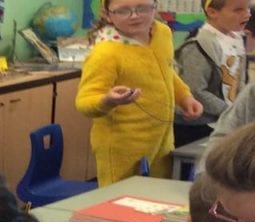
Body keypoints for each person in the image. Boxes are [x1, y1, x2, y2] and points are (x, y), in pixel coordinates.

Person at [77, 0, 203, 186]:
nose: (134, 16)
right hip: (123, 147)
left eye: (142, 8)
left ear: (155, 7)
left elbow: (166, 71)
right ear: (108, 14)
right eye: (123, 11)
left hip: (162, 139)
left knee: (157, 196)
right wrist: (107, 100)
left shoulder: (162, 33)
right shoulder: (105, 53)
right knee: (122, 198)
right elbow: (84, 101)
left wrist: (185, 97)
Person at [174, 0, 253, 147]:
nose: (247, 14)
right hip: (197, 126)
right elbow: (196, 91)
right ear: (212, 12)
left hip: (224, 120)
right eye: (238, 10)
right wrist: (230, 111)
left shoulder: (236, 41)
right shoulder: (198, 45)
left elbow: (238, 81)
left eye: (248, 8)